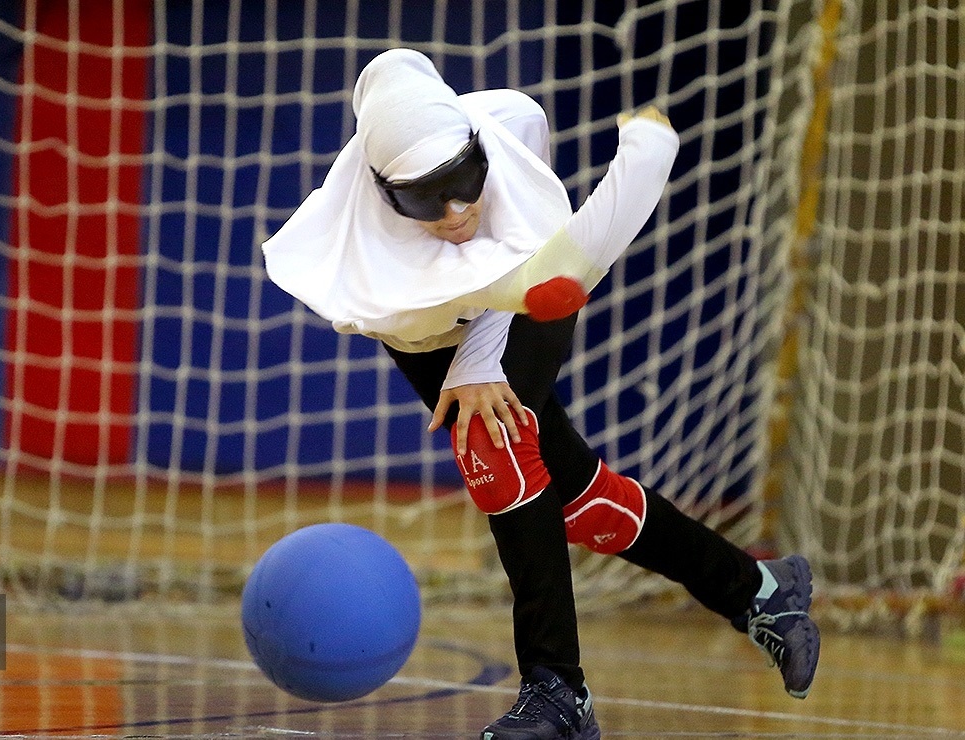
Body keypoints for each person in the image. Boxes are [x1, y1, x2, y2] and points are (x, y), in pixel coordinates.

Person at [262, 48, 820, 740]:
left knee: (494, 447)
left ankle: (558, 692)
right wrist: (469, 363)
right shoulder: (358, 255)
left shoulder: (512, 123)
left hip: (538, 291)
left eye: (464, 179)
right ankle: (762, 591)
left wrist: (648, 152)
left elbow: (545, 260)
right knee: (580, 501)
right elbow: (453, 301)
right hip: (433, 335)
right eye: (422, 198)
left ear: (475, 146)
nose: (456, 209)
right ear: (383, 192)